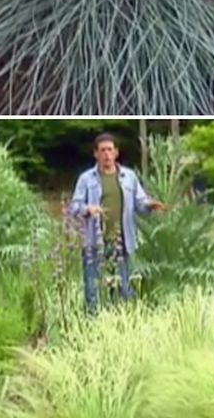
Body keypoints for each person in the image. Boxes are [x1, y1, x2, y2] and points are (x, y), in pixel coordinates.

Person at [67, 133, 165, 312]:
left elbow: (140, 203)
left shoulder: (129, 177)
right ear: (96, 154)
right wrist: (88, 209)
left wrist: (150, 206)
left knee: (123, 291)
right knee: (93, 291)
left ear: (116, 152)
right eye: (102, 150)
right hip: (94, 244)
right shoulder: (86, 179)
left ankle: (119, 330)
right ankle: (93, 330)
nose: (106, 154)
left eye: (110, 150)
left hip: (123, 243)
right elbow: (74, 207)